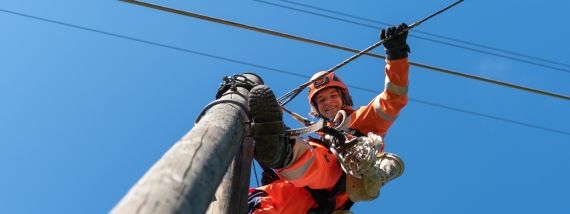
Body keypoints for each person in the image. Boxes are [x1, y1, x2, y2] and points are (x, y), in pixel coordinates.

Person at [247, 23, 411, 214]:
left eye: (333, 96)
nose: (328, 102)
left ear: (343, 98)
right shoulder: (318, 134)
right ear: (316, 109)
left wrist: (396, 55)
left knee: (321, 160)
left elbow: (394, 98)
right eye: (321, 100)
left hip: (338, 181)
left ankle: (283, 151)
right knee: (261, 200)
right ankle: (278, 151)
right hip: (302, 196)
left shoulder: (360, 119)